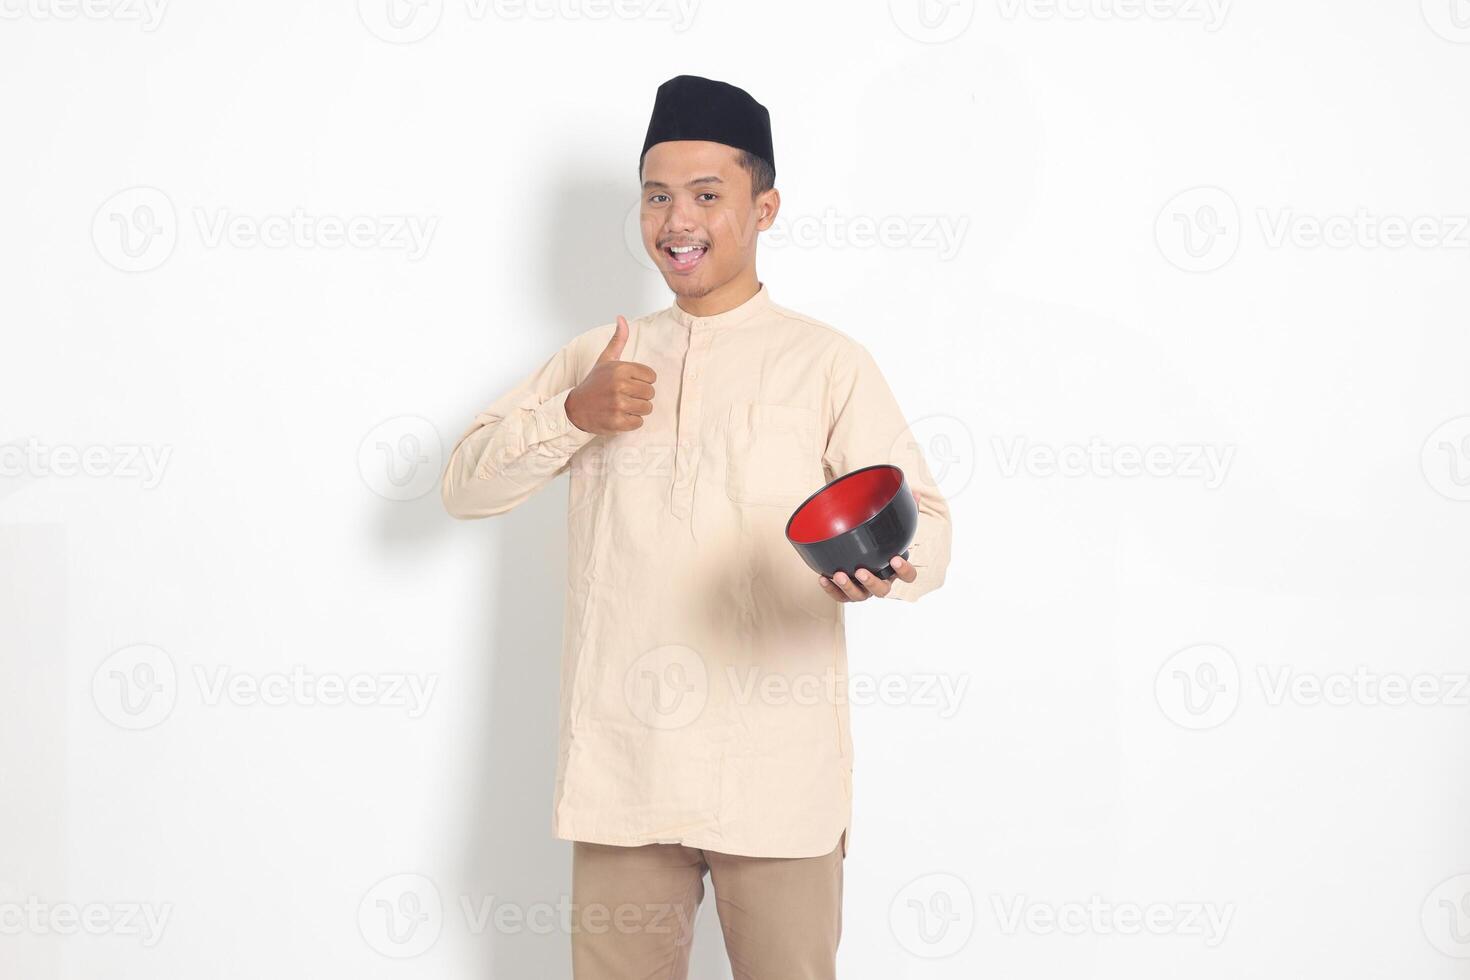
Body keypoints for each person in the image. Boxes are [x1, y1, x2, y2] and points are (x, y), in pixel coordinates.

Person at [441, 73, 953, 980]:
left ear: (765, 207)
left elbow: (931, 527)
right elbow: (465, 487)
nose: (677, 220)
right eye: (657, 196)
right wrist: (573, 413)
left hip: (777, 779)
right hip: (622, 773)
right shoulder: (601, 356)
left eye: (708, 195)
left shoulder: (825, 362)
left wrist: (891, 565)